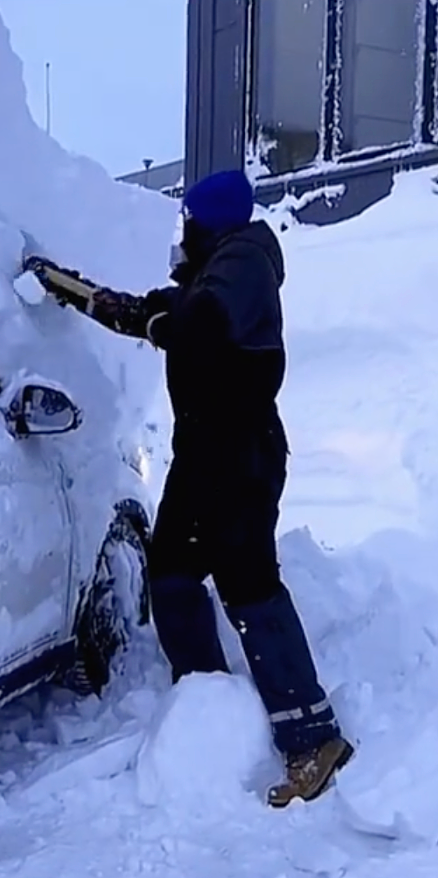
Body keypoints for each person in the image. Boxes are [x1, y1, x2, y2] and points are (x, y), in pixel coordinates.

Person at [25, 169, 354, 807]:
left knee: (250, 588)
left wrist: (165, 322)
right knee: (172, 573)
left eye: (189, 222)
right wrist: (83, 295)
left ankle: (313, 735)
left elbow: (199, 324)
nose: (182, 234)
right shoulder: (218, 269)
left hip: (239, 457)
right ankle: (206, 698)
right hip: (206, 458)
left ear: (211, 221)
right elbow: (158, 311)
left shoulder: (244, 262)